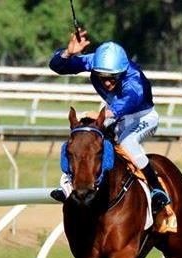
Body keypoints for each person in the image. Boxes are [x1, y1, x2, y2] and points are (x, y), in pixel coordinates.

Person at [48, 30, 169, 212]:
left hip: (142, 117)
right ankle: (67, 182)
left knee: (126, 142)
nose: (106, 83)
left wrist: (95, 117)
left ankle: (156, 188)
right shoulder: (95, 62)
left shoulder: (135, 83)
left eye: (112, 78)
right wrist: (69, 53)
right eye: (102, 77)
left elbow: (115, 111)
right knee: (83, 137)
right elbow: (57, 66)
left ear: (122, 72)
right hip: (115, 115)